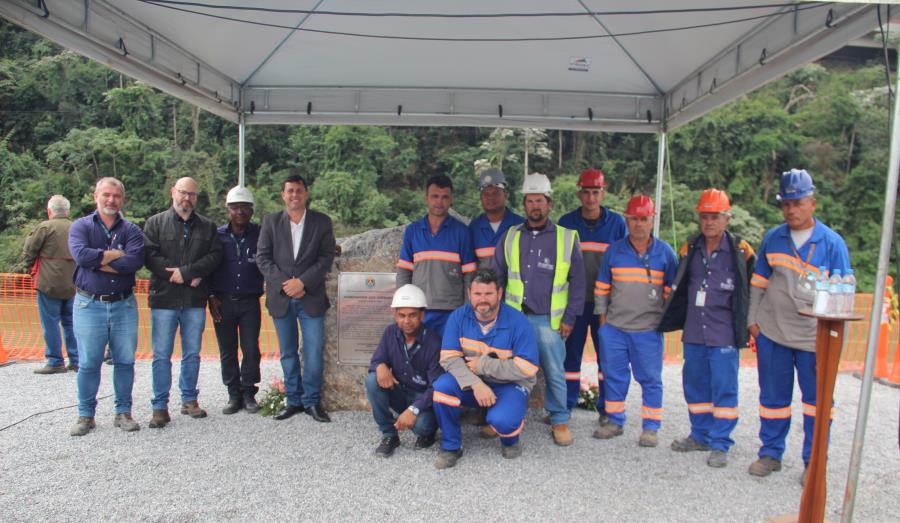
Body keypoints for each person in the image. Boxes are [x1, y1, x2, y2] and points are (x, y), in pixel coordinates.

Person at [747, 169, 851, 485]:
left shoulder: (832, 244)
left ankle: (814, 462)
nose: (792, 210)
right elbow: (758, 283)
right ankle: (771, 454)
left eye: (798, 202)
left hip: (813, 339)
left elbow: (844, 295)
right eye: (787, 204)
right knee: (773, 398)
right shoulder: (773, 238)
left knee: (816, 404)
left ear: (813, 203)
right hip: (774, 333)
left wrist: (834, 342)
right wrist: (752, 321)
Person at [658, 189, 756, 468]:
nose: (709, 222)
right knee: (695, 384)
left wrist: (750, 325)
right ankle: (699, 434)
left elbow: (753, 289)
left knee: (724, 388)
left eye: (715, 217)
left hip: (724, 331)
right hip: (695, 331)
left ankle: (721, 442)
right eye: (704, 217)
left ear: (727, 218)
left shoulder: (741, 251)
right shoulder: (690, 248)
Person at [494, 173, 585, 446]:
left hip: (550, 321)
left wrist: (570, 318)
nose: (535, 205)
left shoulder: (567, 238)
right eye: (530, 200)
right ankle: (507, 415)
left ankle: (559, 419)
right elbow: (496, 277)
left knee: (555, 371)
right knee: (509, 369)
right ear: (524, 204)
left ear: (549, 204)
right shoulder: (510, 236)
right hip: (515, 319)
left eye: (540, 200)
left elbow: (578, 282)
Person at [431, 268, 540, 468]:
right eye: (477, 294)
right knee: (442, 388)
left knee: (502, 420)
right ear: (469, 294)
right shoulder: (458, 317)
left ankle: (510, 439)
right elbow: (448, 358)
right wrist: (476, 383)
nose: (483, 299)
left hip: (509, 384)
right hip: (474, 383)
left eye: (489, 294)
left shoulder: (518, 322)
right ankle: (451, 446)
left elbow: (527, 368)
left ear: (499, 294)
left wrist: (483, 365)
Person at [593, 195, 677, 447]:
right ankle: (615, 420)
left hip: (648, 331)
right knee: (614, 376)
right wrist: (604, 324)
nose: (638, 224)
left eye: (644, 219)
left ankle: (650, 427)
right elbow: (601, 289)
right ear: (626, 220)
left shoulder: (665, 253)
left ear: (652, 221)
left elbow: (671, 293)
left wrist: (661, 322)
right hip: (615, 329)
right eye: (634, 219)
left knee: (650, 378)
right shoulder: (614, 251)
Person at [67, 177, 144, 436]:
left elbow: (133, 263)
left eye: (116, 196)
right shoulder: (80, 226)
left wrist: (97, 259)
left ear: (123, 199)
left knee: (124, 361)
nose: (111, 200)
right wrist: (113, 255)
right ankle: (85, 415)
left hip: (123, 305)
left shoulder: (131, 230)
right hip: (89, 304)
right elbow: (81, 256)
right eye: (106, 195)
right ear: (95, 196)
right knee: (89, 362)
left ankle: (123, 413)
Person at [143, 177, 223, 428]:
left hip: (194, 301)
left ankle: (189, 399)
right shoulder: (155, 223)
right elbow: (149, 257)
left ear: (196, 198)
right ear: (172, 193)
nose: (187, 198)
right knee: (161, 354)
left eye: (192, 194)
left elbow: (215, 256)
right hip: (163, 299)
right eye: (182, 193)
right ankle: (159, 406)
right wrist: (175, 275)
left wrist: (186, 273)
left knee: (192, 353)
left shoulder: (208, 227)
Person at [257, 174, 336, 423]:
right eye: (290, 191)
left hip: (310, 297)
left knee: (313, 352)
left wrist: (302, 282)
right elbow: (263, 259)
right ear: (283, 195)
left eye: (299, 190)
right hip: (281, 299)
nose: (294, 195)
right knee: (288, 352)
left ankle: (312, 401)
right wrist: (287, 285)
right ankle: (293, 400)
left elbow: (325, 258)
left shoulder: (321, 222)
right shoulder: (270, 222)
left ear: (306, 193)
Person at [557, 168, 626, 424]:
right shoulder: (566, 223)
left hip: (605, 306)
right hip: (574, 302)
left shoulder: (617, 224)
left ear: (603, 193)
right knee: (570, 356)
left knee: (607, 356)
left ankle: (608, 408)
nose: (590, 198)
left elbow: (624, 261)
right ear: (579, 193)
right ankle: (565, 405)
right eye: (586, 192)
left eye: (595, 192)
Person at [365, 284, 442, 457]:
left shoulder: (434, 343)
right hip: (400, 393)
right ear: (395, 315)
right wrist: (380, 366)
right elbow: (377, 359)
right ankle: (389, 435)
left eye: (412, 315)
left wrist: (413, 410)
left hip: (423, 401)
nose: (406, 321)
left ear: (422, 315)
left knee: (422, 427)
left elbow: (436, 387)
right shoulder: (390, 333)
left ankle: (428, 433)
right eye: (401, 315)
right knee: (371, 380)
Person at [396, 175, 476, 336]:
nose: (439, 202)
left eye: (445, 197)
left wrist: (467, 310)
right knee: (419, 358)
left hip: (452, 311)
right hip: (419, 309)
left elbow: (470, 276)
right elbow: (404, 272)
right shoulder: (413, 231)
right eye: (435, 196)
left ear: (451, 199)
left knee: (449, 357)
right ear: (426, 198)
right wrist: (404, 306)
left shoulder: (462, 232)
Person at [208, 185, 264, 415]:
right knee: (227, 349)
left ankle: (249, 391)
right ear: (228, 209)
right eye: (235, 208)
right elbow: (208, 266)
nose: (240, 212)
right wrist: (210, 296)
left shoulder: (261, 233)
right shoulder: (216, 236)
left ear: (251, 210)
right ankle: (233, 394)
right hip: (223, 301)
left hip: (250, 301)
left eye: (244, 208)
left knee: (251, 348)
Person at [22, 195, 78, 374]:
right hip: (74, 283)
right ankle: (76, 360)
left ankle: (55, 361)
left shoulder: (44, 227)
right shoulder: (77, 227)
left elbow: (29, 251)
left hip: (48, 283)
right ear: (67, 212)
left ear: (49, 211)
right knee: (71, 322)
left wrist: (28, 265)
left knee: (51, 323)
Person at [468, 168, 524, 270]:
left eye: (495, 193)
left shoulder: (521, 225)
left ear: (506, 195)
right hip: (483, 286)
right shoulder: (473, 228)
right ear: (481, 197)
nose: (491, 198)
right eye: (486, 194)